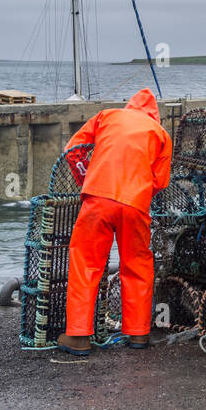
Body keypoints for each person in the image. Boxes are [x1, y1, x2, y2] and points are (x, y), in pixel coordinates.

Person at [56, 88, 172, 356]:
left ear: (129, 107)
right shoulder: (160, 134)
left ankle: (78, 336)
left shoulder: (106, 116)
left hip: (97, 199)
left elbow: (73, 150)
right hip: (135, 205)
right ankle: (139, 333)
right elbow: (161, 181)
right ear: (153, 114)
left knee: (86, 263)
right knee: (138, 264)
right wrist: (138, 193)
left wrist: (85, 179)